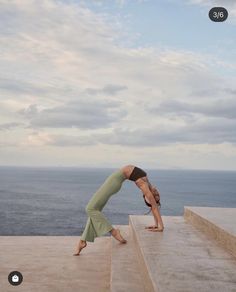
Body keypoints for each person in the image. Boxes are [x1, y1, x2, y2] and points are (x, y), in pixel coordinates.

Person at [73, 165, 164, 256]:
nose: (156, 194)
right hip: (115, 180)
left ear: (146, 196)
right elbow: (153, 206)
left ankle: (114, 232)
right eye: (158, 196)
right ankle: (82, 240)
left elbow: (154, 206)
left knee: (90, 208)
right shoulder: (148, 183)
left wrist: (161, 226)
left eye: (155, 197)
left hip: (114, 181)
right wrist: (156, 224)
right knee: (95, 210)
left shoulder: (144, 186)